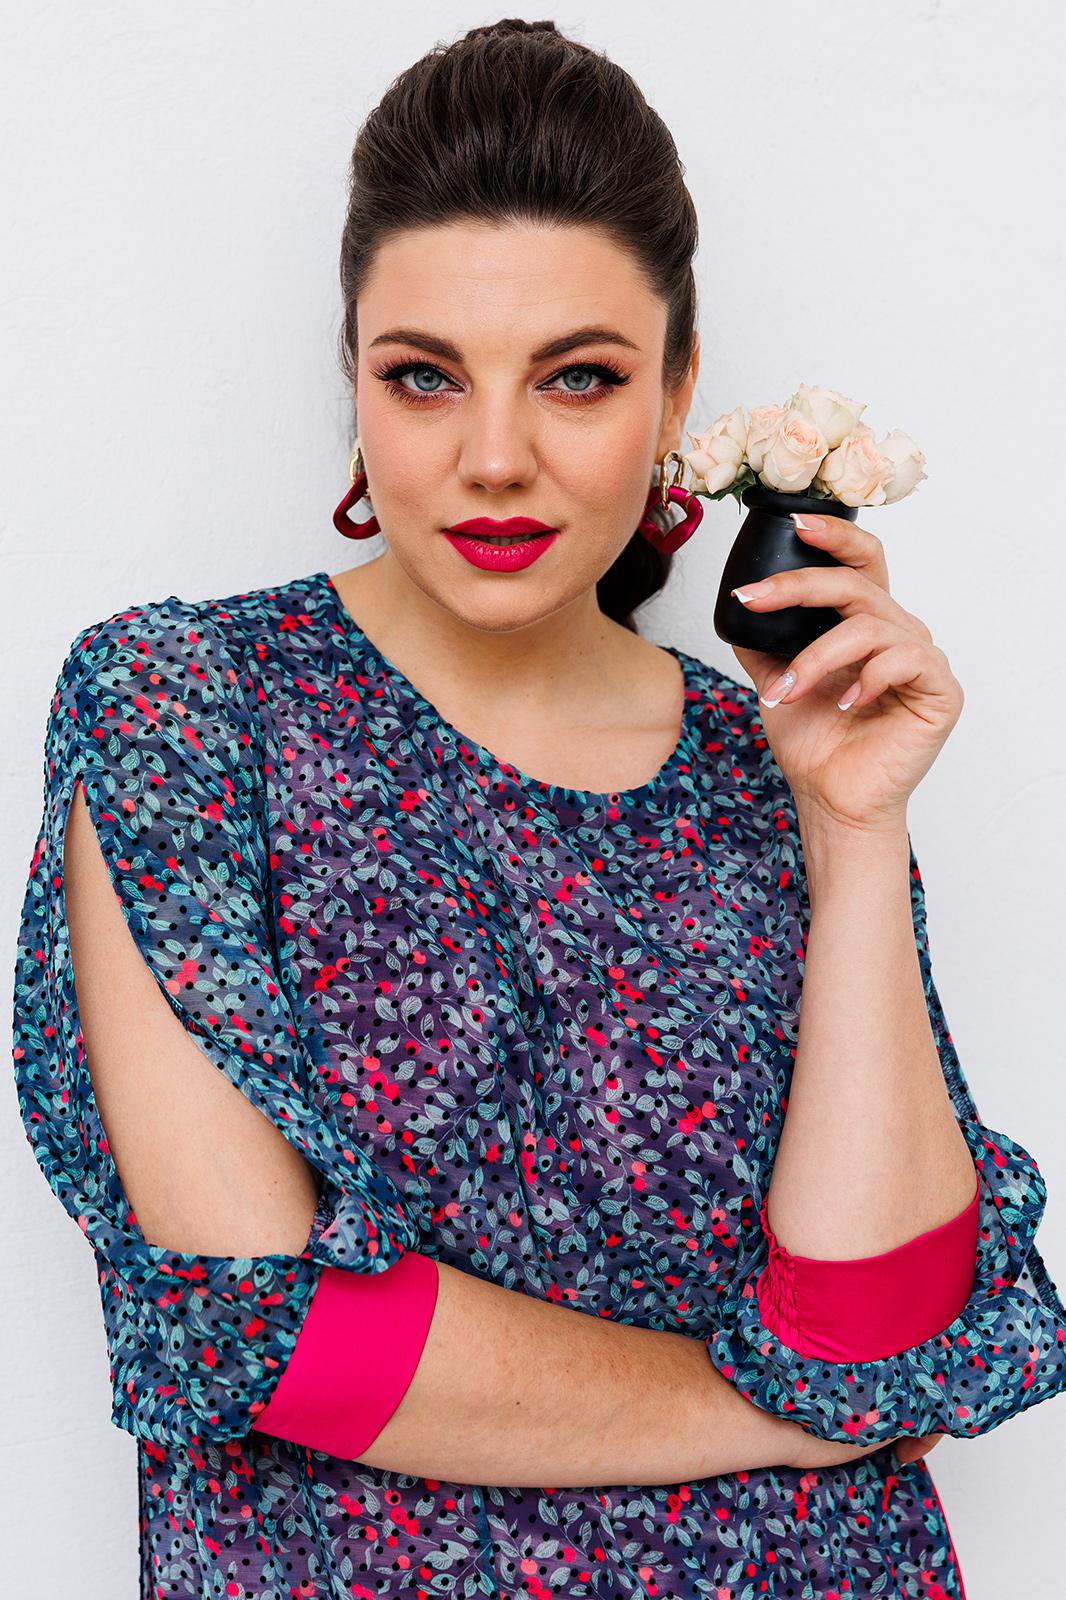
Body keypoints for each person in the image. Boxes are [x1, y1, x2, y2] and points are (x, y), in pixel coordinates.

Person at [12, 18, 1066, 1597]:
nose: (494, 457)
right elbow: (270, 1330)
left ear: (677, 391)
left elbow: (874, 1331)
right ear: (355, 383)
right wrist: (773, 1420)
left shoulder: (774, 760)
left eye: (577, 378)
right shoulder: (185, 705)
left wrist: (853, 834)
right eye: (423, 377)